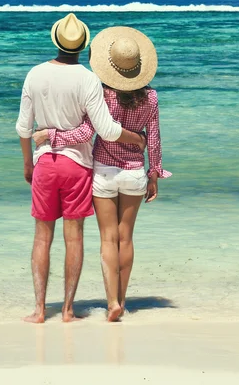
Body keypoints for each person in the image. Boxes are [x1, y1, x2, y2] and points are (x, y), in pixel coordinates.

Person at [33, 26, 171, 322]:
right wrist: (154, 173)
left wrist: (51, 136)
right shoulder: (152, 98)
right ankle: (123, 298)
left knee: (108, 239)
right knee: (126, 239)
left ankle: (111, 303)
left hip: (104, 173)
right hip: (134, 172)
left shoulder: (103, 93)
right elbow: (155, 138)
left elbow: (87, 131)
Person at [16, 14, 145, 324]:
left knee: (41, 238)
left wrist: (27, 164)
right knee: (73, 238)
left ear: (55, 41)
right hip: (77, 166)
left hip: (46, 163)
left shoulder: (35, 74)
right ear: (85, 47)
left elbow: (23, 128)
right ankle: (68, 310)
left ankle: (38, 310)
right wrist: (136, 139)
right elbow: (106, 129)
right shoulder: (88, 79)